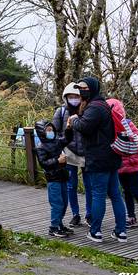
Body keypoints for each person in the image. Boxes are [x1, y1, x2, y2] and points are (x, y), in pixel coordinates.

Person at [68, 77, 128, 243]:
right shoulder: (103, 105)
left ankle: (95, 231)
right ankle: (121, 231)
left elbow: (85, 127)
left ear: (92, 88)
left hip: (98, 158)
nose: (81, 91)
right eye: (79, 88)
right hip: (111, 156)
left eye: (84, 88)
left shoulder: (94, 107)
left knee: (99, 195)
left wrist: (74, 120)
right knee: (115, 194)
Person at [108, 98, 138, 231]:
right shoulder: (111, 127)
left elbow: (137, 142)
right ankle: (131, 217)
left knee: (135, 191)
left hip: (132, 166)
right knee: (126, 191)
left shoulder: (127, 124)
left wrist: (132, 159)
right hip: (121, 167)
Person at [53, 82, 90, 227]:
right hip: (68, 152)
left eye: (77, 96)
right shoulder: (61, 112)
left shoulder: (87, 110)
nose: (74, 99)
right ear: (66, 97)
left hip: (86, 153)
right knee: (71, 185)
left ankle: (89, 214)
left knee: (89, 185)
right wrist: (59, 150)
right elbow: (55, 132)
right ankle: (75, 214)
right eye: (71, 96)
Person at [34, 118, 76, 237]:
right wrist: (57, 160)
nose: (50, 132)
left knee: (64, 202)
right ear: (42, 132)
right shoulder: (41, 147)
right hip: (53, 179)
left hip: (62, 176)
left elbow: (67, 139)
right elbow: (44, 163)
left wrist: (68, 128)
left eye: (51, 129)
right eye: (48, 130)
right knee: (57, 204)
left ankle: (59, 224)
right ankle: (53, 227)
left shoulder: (57, 142)